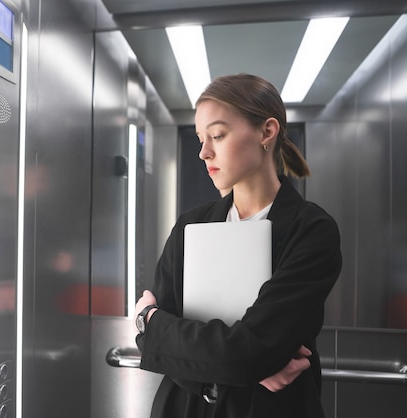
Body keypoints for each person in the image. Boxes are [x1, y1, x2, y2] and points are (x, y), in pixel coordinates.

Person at [134, 73, 342, 418]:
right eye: (201, 138)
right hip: (185, 408)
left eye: (217, 135)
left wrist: (150, 321)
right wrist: (231, 371)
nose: (203, 152)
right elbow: (153, 343)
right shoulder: (191, 224)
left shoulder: (312, 230)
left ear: (266, 132)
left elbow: (247, 350)